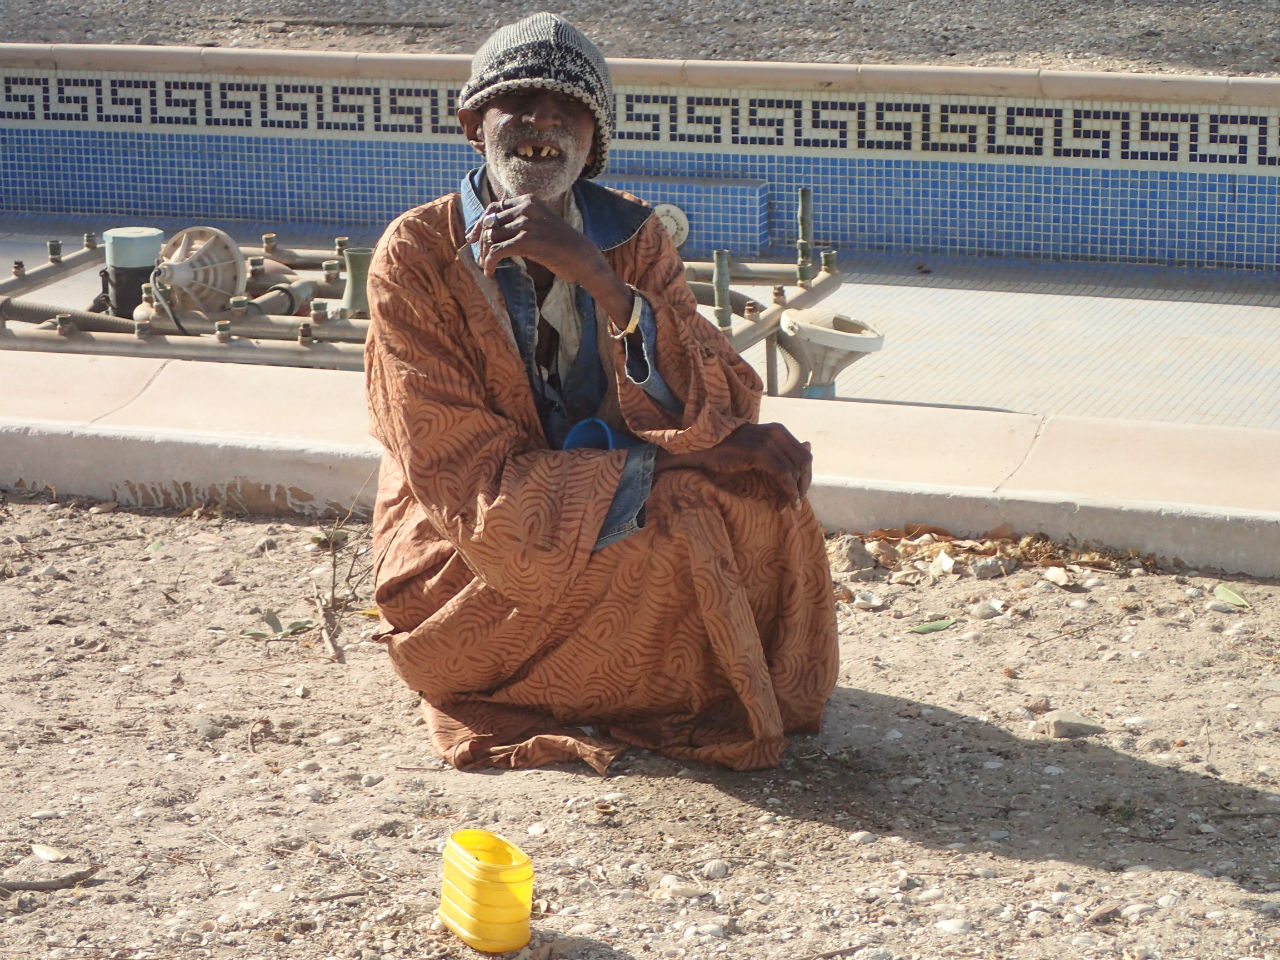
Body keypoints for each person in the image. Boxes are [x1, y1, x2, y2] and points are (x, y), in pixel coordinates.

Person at [364, 12, 838, 773]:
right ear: (472, 122)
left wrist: (600, 280)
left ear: (595, 137)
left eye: (566, 109)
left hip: (603, 482)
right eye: (518, 102)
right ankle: (634, 691)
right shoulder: (415, 257)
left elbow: (713, 396)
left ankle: (711, 690)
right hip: (472, 545)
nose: (541, 126)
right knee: (679, 516)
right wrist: (667, 473)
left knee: (767, 498)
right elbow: (458, 471)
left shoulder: (633, 237)